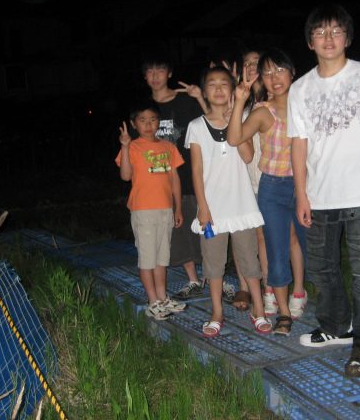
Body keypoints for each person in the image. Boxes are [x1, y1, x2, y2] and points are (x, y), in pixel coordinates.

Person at [288, 3, 360, 377]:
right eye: (320, 32)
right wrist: (301, 193)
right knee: (322, 269)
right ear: (310, 41)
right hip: (319, 193)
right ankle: (336, 326)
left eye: (336, 30)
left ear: (348, 37)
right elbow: (298, 144)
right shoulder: (300, 88)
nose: (328, 38)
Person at [184, 65, 270, 337]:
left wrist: (234, 118)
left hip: (242, 205)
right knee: (213, 264)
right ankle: (216, 312)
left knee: (249, 261)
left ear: (232, 89)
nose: (219, 88)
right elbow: (196, 170)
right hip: (213, 208)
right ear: (204, 91)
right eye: (212, 84)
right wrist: (203, 207)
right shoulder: (196, 127)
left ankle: (259, 309)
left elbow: (247, 156)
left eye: (224, 83)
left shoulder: (241, 119)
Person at [228, 47, 308, 335]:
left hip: (303, 185)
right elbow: (235, 137)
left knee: (301, 243)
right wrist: (239, 101)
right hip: (273, 187)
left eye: (280, 70)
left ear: (292, 73)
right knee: (275, 249)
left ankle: (300, 293)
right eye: (268, 73)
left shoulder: (306, 106)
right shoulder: (263, 111)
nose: (275, 78)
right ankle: (284, 312)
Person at [140, 54, 206, 300]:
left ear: (169, 73)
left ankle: (212, 275)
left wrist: (200, 96)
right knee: (178, 231)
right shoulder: (145, 107)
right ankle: (193, 279)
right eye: (150, 71)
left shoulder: (186, 100)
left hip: (192, 172)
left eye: (160, 70)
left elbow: (210, 122)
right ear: (145, 76)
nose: (155, 76)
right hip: (161, 181)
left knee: (204, 226)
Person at [116, 102, 188, 320]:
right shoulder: (133, 147)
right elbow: (125, 176)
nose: (148, 125)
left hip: (165, 209)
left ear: (159, 122)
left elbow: (174, 178)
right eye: (143, 120)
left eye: (153, 120)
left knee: (161, 258)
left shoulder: (168, 147)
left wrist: (178, 208)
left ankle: (162, 297)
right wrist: (125, 147)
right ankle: (152, 301)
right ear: (134, 124)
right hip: (143, 210)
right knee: (147, 258)